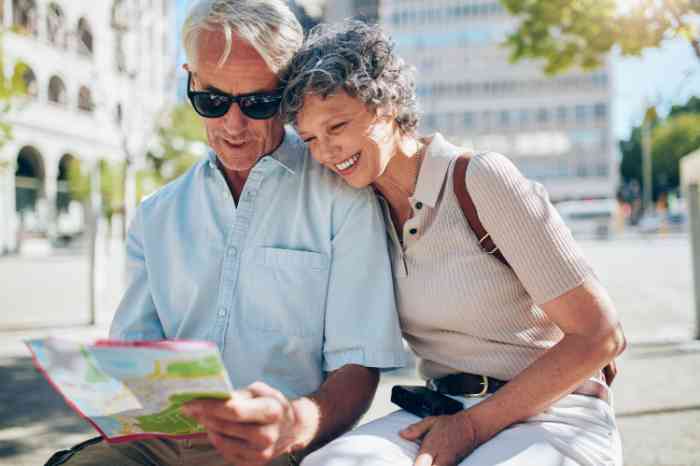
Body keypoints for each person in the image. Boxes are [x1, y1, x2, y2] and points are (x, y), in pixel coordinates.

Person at [43, 4, 407, 466]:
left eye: (258, 103)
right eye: (213, 101)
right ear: (190, 79)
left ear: (290, 93)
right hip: (156, 442)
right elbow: (135, 358)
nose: (233, 127)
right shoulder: (157, 214)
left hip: (274, 444)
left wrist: (292, 427)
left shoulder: (344, 200)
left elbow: (357, 367)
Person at [280, 20, 627, 466]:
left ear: (385, 105)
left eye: (338, 126)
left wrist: (472, 427)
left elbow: (601, 335)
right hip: (442, 408)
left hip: (555, 413)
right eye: (309, 139)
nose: (325, 151)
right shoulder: (358, 208)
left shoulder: (480, 178)